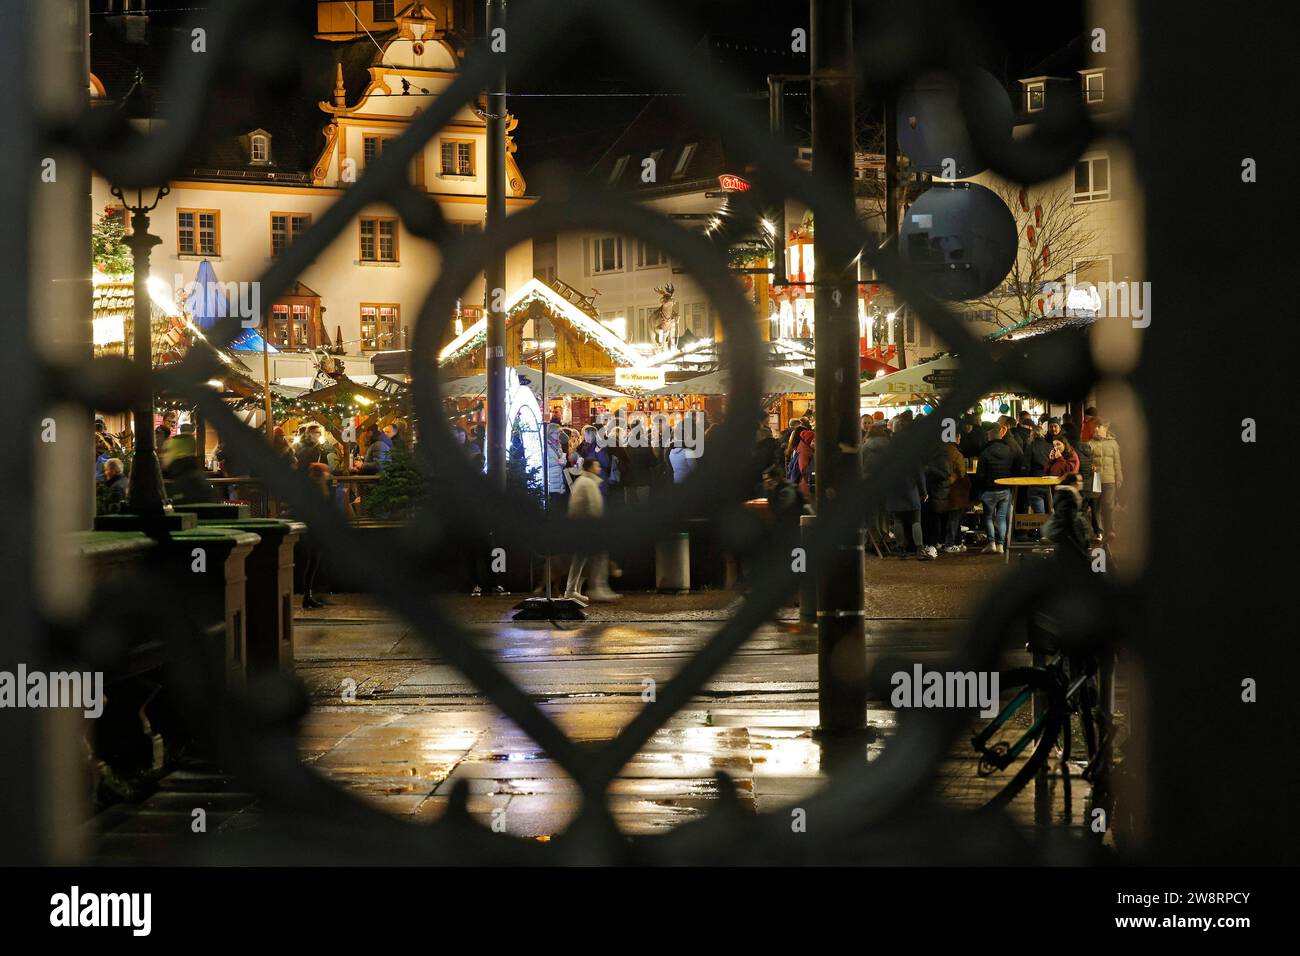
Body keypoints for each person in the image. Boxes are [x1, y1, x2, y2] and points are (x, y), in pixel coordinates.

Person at [562, 457, 620, 603]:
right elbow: (595, 507)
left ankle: (571, 590)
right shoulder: (588, 483)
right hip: (587, 526)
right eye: (597, 466)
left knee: (580, 557)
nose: (599, 469)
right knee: (600, 554)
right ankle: (598, 587)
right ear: (590, 468)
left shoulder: (583, 481)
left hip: (579, 525)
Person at [975, 420, 1017, 554]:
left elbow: (980, 475)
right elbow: (1013, 468)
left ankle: (991, 543)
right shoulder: (1009, 450)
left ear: (989, 437)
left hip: (989, 490)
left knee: (987, 517)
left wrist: (980, 490)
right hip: (1005, 489)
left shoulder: (985, 453)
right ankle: (1000, 545)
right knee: (1002, 517)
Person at [925, 438, 968, 553]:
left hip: (936, 490)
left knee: (939, 517)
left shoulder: (933, 453)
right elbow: (962, 472)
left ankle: (938, 542)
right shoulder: (956, 453)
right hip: (951, 489)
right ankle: (950, 543)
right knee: (953, 518)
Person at [300, 462, 333, 608]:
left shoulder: (313, 488)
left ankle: (309, 595)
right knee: (314, 563)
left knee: (313, 563)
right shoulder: (317, 489)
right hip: (314, 530)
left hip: (313, 529)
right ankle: (310, 595)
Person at [1090, 419, 1123, 542]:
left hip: (1110, 479)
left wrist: (1119, 478)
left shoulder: (1113, 444)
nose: (1096, 429)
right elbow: (1088, 460)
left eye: (1099, 426)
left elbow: (1117, 462)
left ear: (1105, 428)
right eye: (1096, 426)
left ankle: (1110, 530)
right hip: (1096, 478)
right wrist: (1090, 466)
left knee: (1108, 505)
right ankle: (1099, 532)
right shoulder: (1091, 443)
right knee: (1095, 506)